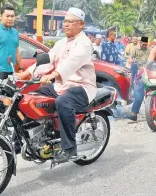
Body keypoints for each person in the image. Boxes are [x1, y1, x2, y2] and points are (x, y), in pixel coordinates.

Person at [16, 7, 96, 163]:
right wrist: (26, 73)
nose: (66, 24)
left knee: (63, 102)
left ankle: (69, 148)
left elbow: (72, 63)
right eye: (65, 21)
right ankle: (35, 136)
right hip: (60, 85)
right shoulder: (62, 42)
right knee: (31, 98)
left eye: (70, 22)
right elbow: (47, 58)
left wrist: (53, 75)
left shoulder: (84, 43)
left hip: (81, 87)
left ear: (81, 24)